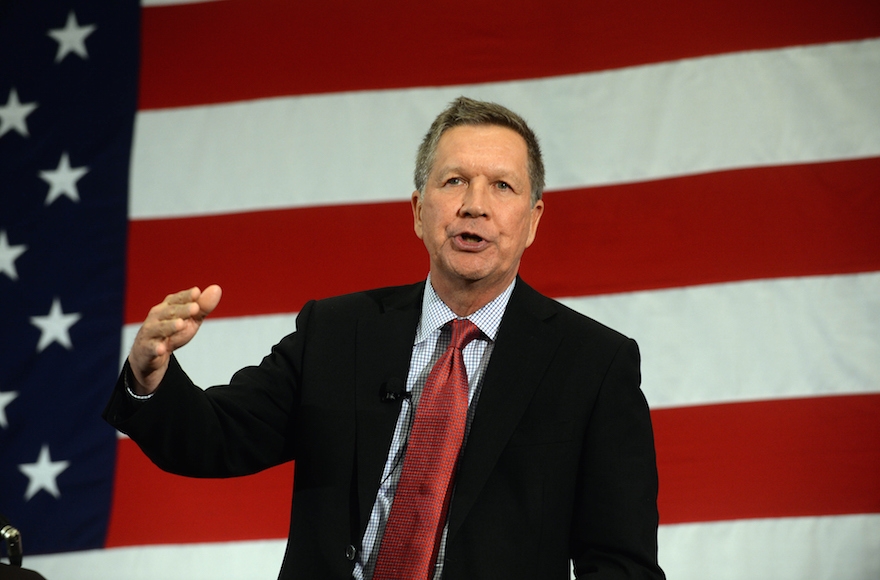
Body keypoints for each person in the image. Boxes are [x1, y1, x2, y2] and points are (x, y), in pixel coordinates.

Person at [104, 97, 665, 580]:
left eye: (502, 185)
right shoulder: (337, 332)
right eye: (454, 181)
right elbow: (217, 437)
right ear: (419, 212)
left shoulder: (593, 365)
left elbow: (621, 562)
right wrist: (149, 379)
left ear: (533, 220)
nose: (475, 203)